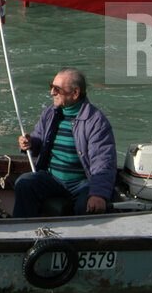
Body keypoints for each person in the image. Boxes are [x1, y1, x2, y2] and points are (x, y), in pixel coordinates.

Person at [12, 67, 117, 218]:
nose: (52, 92)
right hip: (52, 179)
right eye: (51, 87)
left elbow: (103, 161)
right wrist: (30, 143)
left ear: (75, 93)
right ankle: (22, 231)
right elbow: (39, 141)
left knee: (86, 207)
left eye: (57, 89)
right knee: (24, 183)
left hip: (81, 183)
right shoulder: (50, 113)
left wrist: (98, 194)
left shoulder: (96, 121)